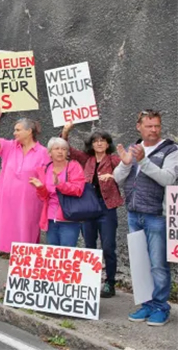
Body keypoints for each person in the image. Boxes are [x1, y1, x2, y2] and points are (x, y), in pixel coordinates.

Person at [114, 109, 176, 326]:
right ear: (138, 126)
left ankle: (161, 307)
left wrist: (143, 162)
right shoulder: (134, 148)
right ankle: (147, 304)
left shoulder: (170, 150)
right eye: (149, 126)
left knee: (158, 264)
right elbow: (117, 179)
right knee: (140, 263)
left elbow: (168, 178)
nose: (154, 130)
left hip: (156, 216)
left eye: (157, 125)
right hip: (134, 214)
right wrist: (125, 163)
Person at [62, 123, 122, 297]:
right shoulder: (85, 159)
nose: (99, 144)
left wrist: (113, 176)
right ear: (92, 144)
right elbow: (68, 149)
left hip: (107, 207)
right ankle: (90, 282)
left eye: (103, 141)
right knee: (89, 247)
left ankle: (110, 283)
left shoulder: (113, 160)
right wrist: (66, 131)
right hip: (88, 208)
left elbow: (128, 170)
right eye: (96, 141)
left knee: (108, 247)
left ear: (107, 143)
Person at [0, 112, 50, 255]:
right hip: (7, 200)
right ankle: (14, 262)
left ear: (29, 131)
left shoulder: (43, 152)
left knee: (26, 231)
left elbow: (47, 177)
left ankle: (25, 262)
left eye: (18, 130)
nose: (14, 133)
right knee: (8, 229)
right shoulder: (10, 146)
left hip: (29, 201)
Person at [29, 138, 85, 247]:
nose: (60, 151)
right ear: (49, 153)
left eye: (64, 149)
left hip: (69, 217)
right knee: (53, 253)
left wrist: (60, 184)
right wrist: (40, 187)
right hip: (50, 218)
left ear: (67, 153)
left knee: (67, 252)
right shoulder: (44, 169)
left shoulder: (74, 166)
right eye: (57, 149)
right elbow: (44, 197)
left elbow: (78, 189)